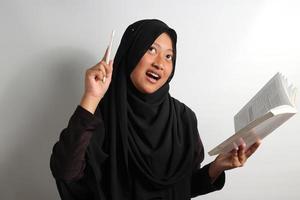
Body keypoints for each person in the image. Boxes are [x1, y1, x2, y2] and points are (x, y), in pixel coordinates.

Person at [50, 19, 261, 200]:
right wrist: (91, 97)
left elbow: (181, 189)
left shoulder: (183, 119)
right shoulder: (101, 114)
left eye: (169, 56)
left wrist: (217, 168)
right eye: (151, 50)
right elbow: (65, 172)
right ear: (131, 52)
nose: (160, 63)